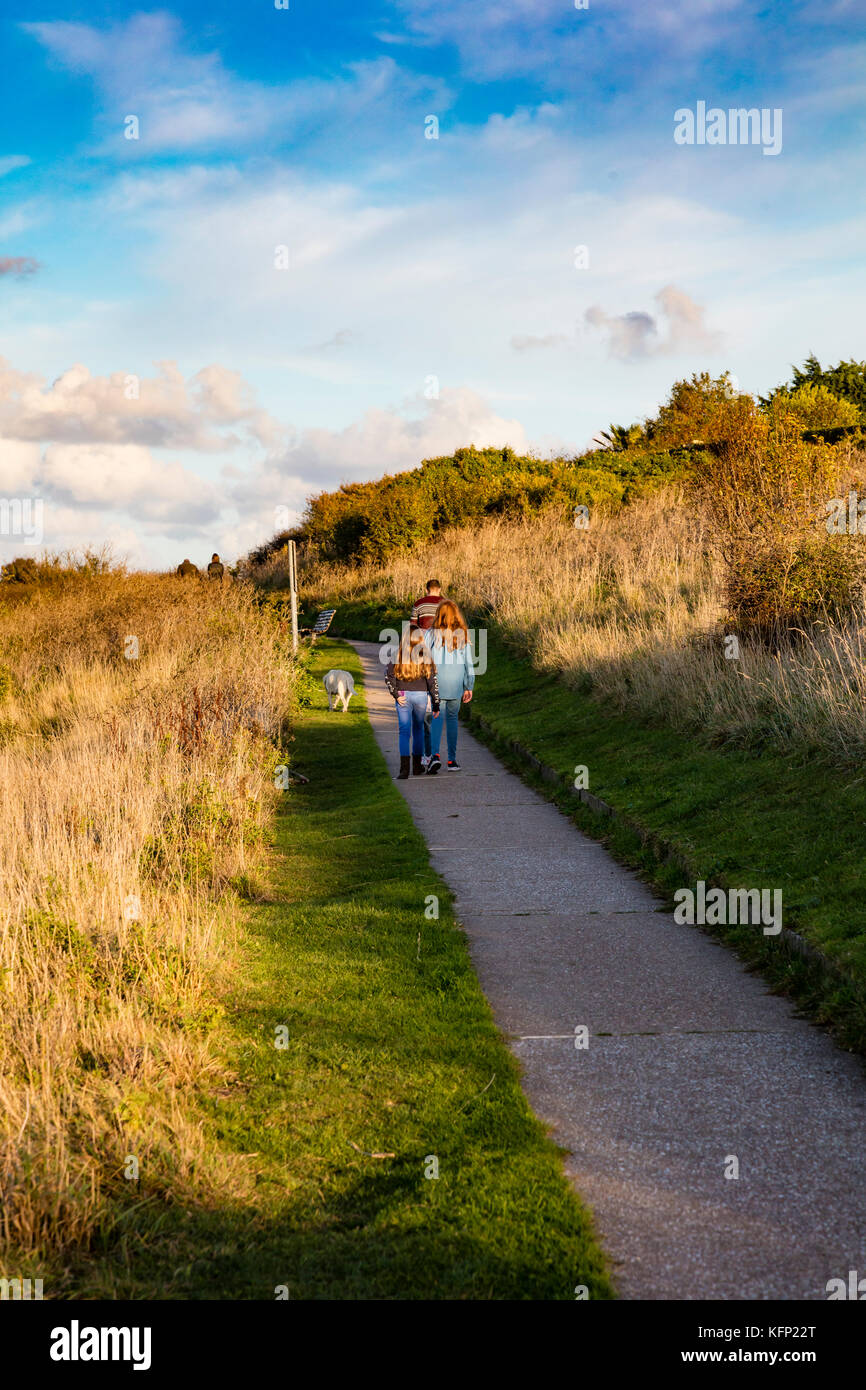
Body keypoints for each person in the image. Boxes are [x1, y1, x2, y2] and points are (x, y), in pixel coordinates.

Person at [423, 599, 474, 773]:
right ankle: (452, 760)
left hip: (436, 682)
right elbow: (469, 663)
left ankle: (435, 756)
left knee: (437, 718)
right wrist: (469, 686)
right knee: (452, 720)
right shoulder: (462, 634)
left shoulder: (431, 633)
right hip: (456, 683)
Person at [384, 625, 440, 779]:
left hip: (403, 696)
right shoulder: (426, 656)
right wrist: (436, 703)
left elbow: (388, 676)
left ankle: (404, 770)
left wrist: (395, 694)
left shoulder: (397, 654)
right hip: (421, 696)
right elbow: (432, 682)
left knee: (404, 732)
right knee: (418, 731)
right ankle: (417, 767)